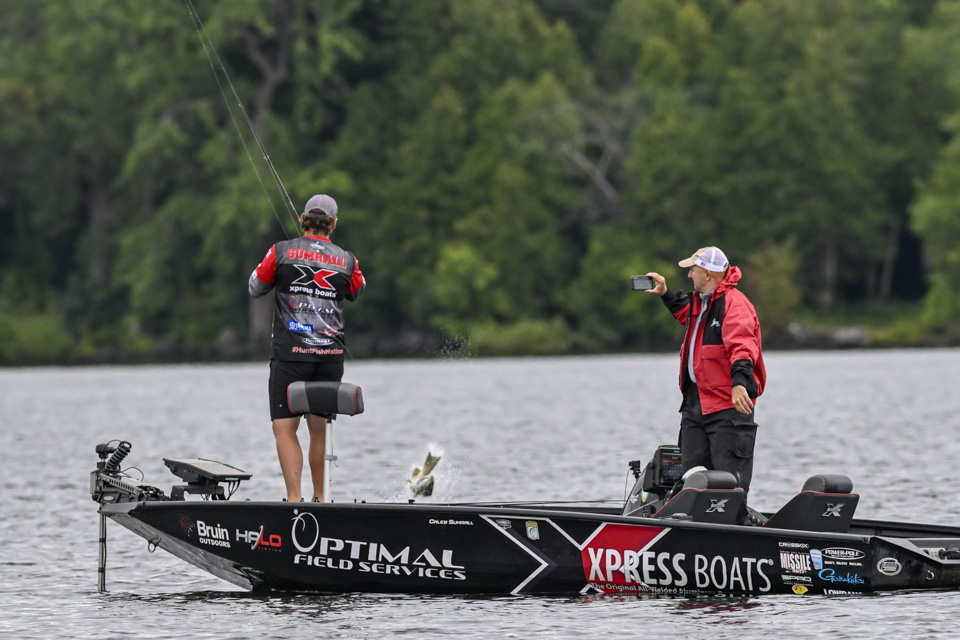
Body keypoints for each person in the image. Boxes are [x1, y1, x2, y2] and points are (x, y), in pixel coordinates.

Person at [249, 194, 366, 502]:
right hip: (329, 357)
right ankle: (320, 499)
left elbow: (255, 287)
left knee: (285, 428)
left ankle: (294, 499)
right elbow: (357, 289)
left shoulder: (280, 251)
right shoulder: (348, 259)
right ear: (333, 224)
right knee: (319, 428)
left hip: (290, 355)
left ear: (303, 219)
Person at [645, 246, 765, 524]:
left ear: (708, 274)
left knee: (729, 484)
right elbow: (684, 311)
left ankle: (736, 528)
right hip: (695, 406)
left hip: (727, 408)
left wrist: (739, 384)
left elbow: (743, 346)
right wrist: (665, 293)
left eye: (693, 269)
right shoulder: (700, 302)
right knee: (692, 478)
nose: (689, 275)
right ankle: (691, 529)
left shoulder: (735, 303)